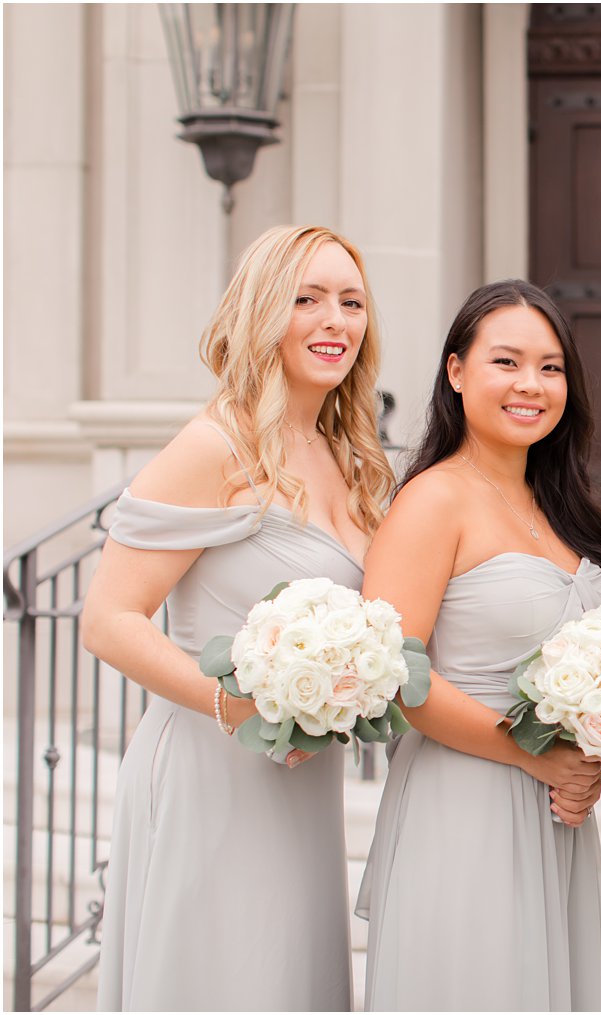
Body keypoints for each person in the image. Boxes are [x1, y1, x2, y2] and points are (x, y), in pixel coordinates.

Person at [82, 225, 392, 1010]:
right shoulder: (214, 444)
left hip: (299, 782)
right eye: (307, 299)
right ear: (262, 312)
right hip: (209, 767)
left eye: (351, 302)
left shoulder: (346, 458)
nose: (336, 321)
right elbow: (109, 618)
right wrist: (238, 705)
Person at [355, 280, 601, 1011]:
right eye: (506, 361)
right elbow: (397, 675)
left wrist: (591, 755)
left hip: (557, 811)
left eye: (551, 366)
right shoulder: (432, 500)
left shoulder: (563, 509)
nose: (531, 384)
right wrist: (539, 754)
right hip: (463, 800)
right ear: (456, 371)